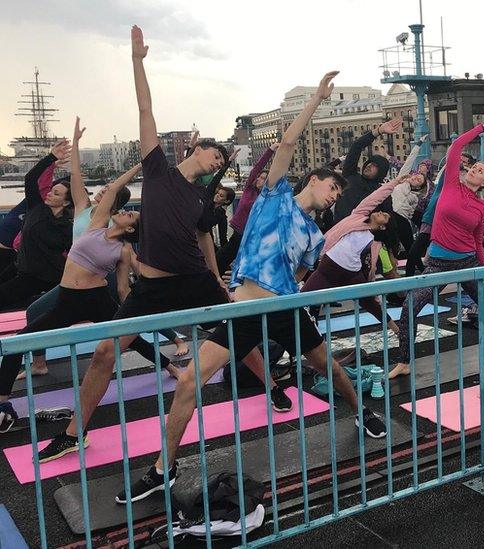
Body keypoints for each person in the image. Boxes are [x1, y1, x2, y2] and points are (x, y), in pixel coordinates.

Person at [117, 69, 388, 505]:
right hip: (242, 310)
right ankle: (161, 470)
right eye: (333, 185)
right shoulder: (275, 195)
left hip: (283, 309)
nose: (336, 194)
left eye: (340, 191)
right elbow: (285, 143)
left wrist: (287, 293)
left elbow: (300, 275)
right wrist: (317, 99)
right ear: (313, 180)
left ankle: (361, 411)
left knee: (330, 368)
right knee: (189, 383)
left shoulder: (316, 235)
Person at [36, 26, 263, 463]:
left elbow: (204, 240)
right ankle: (73, 432)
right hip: (153, 288)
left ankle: (271, 386)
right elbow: (146, 108)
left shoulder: (201, 199)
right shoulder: (157, 170)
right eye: (212, 155)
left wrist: (217, 278)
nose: (216, 162)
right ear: (194, 150)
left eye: (221, 161)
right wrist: (138, 62)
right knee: (105, 352)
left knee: (240, 334)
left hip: (195, 279)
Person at [0, 164, 185, 431]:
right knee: (19, 343)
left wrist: (130, 311)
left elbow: (123, 289)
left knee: (131, 339)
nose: (125, 212)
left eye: (130, 216)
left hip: (97, 300)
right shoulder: (98, 223)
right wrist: (140, 166)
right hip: (66, 300)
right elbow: (114, 189)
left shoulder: (123, 251)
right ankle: (4, 404)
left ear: (131, 230)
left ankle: (169, 367)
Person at [19, 118, 187, 380]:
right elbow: (75, 175)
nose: (102, 192)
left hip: (100, 279)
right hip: (75, 281)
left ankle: (171, 351)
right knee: (37, 312)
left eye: (107, 191)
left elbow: (127, 249)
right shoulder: (84, 209)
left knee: (121, 321)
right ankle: (39, 362)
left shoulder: (112, 221)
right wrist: (75, 144)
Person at [388, 121, 484, 379]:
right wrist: (481, 128)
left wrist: (483, 266)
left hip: (467, 264)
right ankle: (404, 361)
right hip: (438, 265)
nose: (474, 169)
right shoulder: (452, 184)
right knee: (410, 308)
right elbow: (455, 148)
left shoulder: (479, 206)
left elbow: (476, 239)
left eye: (480, 170)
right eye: (474, 166)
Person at [303, 172, 420, 332]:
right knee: (302, 299)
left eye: (384, 216)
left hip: (351, 273)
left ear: (383, 227)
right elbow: (375, 197)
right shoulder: (357, 216)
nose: (380, 212)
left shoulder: (376, 243)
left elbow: (371, 268)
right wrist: (396, 181)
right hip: (327, 267)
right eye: (380, 211)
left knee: (370, 303)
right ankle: (306, 329)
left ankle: (397, 330)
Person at [0, 142, 74, 311]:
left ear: (66, 202)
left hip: (50, 279)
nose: (49, 193)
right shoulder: (36, 207)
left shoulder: (66, 227)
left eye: (56, 193)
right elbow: (31, 179)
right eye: (51, 190)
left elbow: (71, 254)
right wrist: (51, 157)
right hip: (24, 273)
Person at [215, 143, 277, 275]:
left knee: (241, 267)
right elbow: (257, 168)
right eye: (259, 177)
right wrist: (270, 150)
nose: (259, 179)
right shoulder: (249, 189)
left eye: (263, 179)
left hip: (251, 237)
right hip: (238, 234)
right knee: (219, 261)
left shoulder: (267, 198)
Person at [332, 118, 401, 223]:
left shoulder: (381, 193)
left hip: (363, 235)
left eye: (374, 166)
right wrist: (378, 131)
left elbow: (388, 220)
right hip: (339, 231)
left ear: (381, 172)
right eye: (369, 163)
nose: (368, 166)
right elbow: (356, 147)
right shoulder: (350, 175)